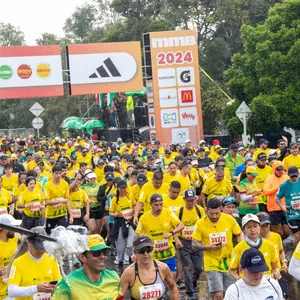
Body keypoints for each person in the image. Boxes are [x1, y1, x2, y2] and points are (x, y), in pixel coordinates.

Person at [192, 197, 243, 300]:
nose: (214, 216)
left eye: (217, 213)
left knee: (231, 293)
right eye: (211, 214)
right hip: (211, 262)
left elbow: (239, 233)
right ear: (207, 210)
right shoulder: (200, 223)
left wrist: (239, 248)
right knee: (219, 295)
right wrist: (208, 247)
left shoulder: (229, 219)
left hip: (229, 261)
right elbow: (194, 244)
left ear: (221, 209)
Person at [52, 234, 123, 300]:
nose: (102, 257)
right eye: (96, 253)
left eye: (104, 252)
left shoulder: (114, 277)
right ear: (83, 257)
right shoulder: (67, 284)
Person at [136, 193, 184, 277]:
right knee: (157, 281)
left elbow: (181, 225)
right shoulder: (144, 218)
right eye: (156, 205)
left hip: (169, 254)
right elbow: (138, 235)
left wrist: (172, 233)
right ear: (150, 204)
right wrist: (136, 252)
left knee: (171, 280)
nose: (159, 208)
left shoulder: (168, 212)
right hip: (154, 256)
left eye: (161, 204)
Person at [7, 227, 62, 300]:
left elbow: (59, 282)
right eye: (37, 248)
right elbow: (11, 291)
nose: (40, 251)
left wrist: (55, 288)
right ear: (28, 244)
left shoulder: (52, 259)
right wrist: (36, 288)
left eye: (42, 248)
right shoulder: (18, 262)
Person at [120, 234, 179, 299]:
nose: (145, 254)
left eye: (148, 249)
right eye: (141, 250)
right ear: (135, 252)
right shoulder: (129, 273)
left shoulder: (162, 267)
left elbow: (173, 287)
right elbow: (120, 297)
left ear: (152, 250)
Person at [229, 214, 280, 280]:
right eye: (249, 227)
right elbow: (231, 270)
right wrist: (241, 280)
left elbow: (275, 267)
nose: (253, 230)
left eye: (255, 226)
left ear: (259, 227)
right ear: (243, 230)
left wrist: (276, 273)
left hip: (266, 282)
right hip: (248, 284)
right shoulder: (238, 248)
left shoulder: (270, 245)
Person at [175, 189, 205, 300]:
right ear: (184, 200)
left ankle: (192, 282)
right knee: (187, 267)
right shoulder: (179, 212)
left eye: (192, 200)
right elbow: (174, 227)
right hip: (184, 243)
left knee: (198, 268)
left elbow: (204, 226)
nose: (191, 202)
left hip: (196, 242)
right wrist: (177, 240)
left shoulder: (200, 211)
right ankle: (190, 292)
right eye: (188, 200)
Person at [109, 179, 135, 274]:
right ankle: (120, 265)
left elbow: (135, 205)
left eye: (124, 187)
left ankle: (132, 263)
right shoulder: (115, 199)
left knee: (130, 244)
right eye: (121, 188)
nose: (123, 190)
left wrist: (132, 211)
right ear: (118, 188)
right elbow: (110, 212)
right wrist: (117, 214)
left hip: (129, 222)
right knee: (121, 247)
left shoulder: (130, 195)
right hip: (120, 223)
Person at [263, 160, 290, 239]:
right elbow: (265, 192)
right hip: (273, 209)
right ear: (274, 169)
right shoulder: (269, 179)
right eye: (278, 169)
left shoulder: (286, 178)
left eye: (282, 169)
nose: (280, 171)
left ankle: (278, 242)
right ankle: (277, 245)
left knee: (287, 232)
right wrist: (278, 187)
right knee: (277, 232)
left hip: (285, 207)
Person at [44, 165, 73, 235]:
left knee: (62, 234)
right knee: (50, 235)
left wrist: (71, 215)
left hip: (62, 214)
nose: (58, 175)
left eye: (60, 173)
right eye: (56, 173)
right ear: (52, 173)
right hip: (51, 215)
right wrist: (61, 201)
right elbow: (46, 202)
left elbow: (67, 200)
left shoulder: (65, 184)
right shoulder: (47, 185)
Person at [276, 166, 300, 242]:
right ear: (288, 175)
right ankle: (296, 251)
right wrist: (282, 207)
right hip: (292, 214)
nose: (294, 177)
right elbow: (277, 198)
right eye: (292, 176)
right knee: (297, 234)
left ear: (298, 174)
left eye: (295, 176)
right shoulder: (284, 185)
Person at [0, 214, 21, 299]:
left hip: (11, 288)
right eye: (13, 227)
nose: (15, 230)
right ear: (5, 229)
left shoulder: (15, 239)